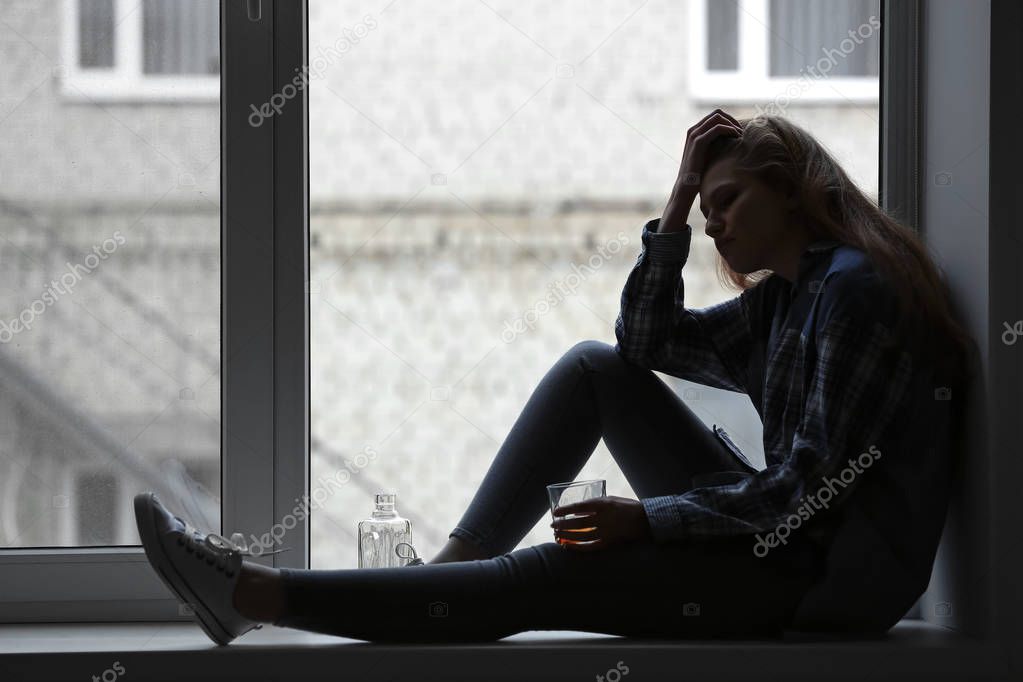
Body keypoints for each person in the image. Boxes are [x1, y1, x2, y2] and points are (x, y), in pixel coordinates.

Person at [134, 109, 976, 646]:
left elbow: (806, 495)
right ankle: (441, 582)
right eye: (709, 208)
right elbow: (641, 343)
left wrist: (645, 521)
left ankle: (253, 593)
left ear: (792, 196)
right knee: (593, 369)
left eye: (729, 203)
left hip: (812, 581)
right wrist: (675, 206)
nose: (717, 224)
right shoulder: (787, 299)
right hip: (776, 538)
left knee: (546, 576)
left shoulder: (853, 295)